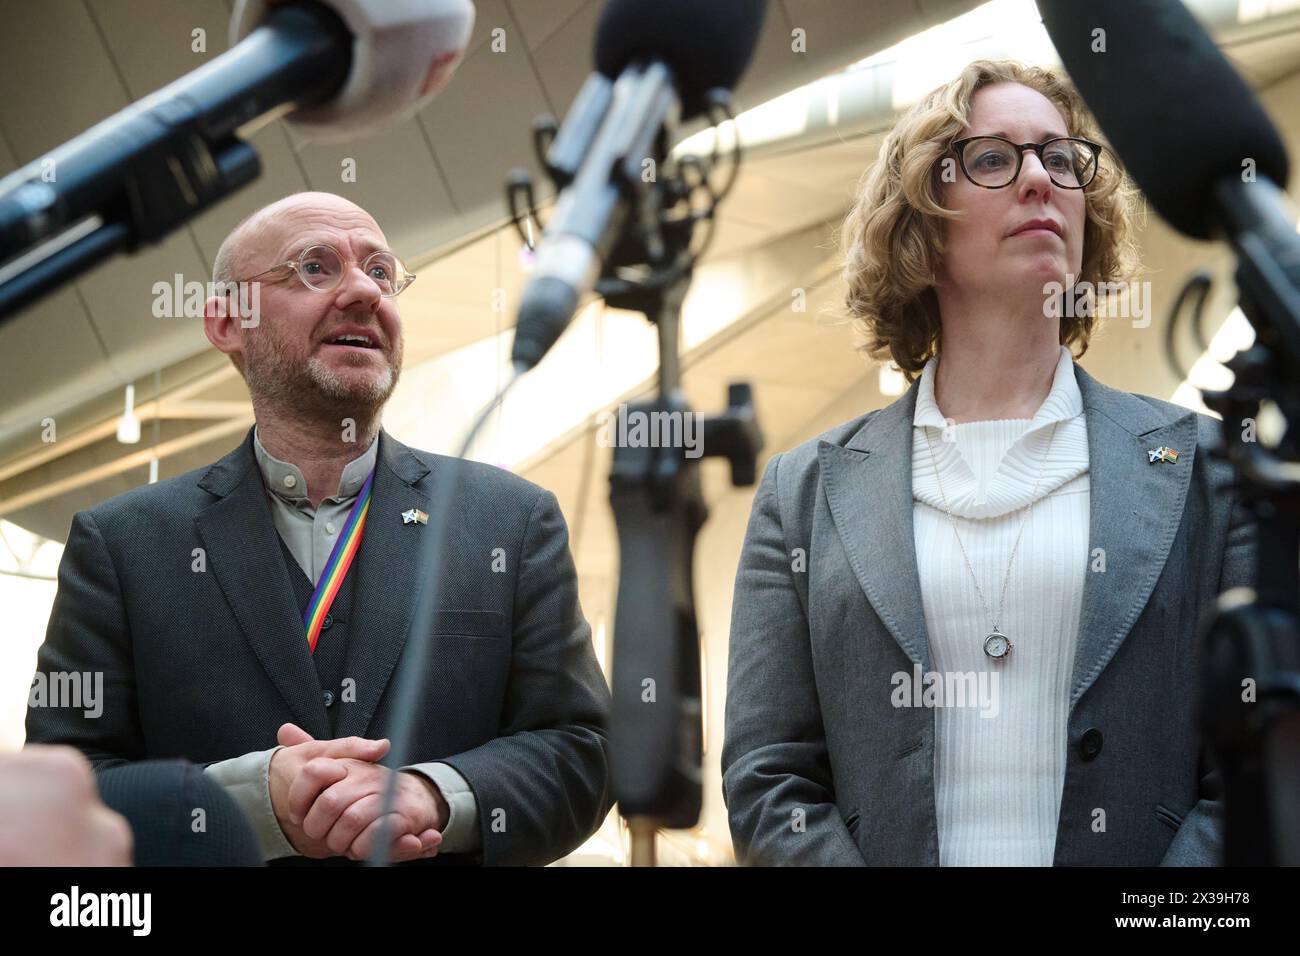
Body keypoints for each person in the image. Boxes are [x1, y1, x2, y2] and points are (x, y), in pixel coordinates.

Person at [721, 60, 1257, 866]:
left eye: (1062, 158)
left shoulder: (1209, 471)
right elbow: (770, 780)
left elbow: (1254, 774)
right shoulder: (804, 494)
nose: (1041, 178)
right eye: (994, 159)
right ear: (921, 225)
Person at [27, 192, 612, 866]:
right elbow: (60, 791)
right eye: (314, 267)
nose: (364, 291)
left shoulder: (511, 521)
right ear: (226, 322)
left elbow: (582, 753)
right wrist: (251, 797)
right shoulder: (121, 545)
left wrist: (435, 795)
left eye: (382, 272)